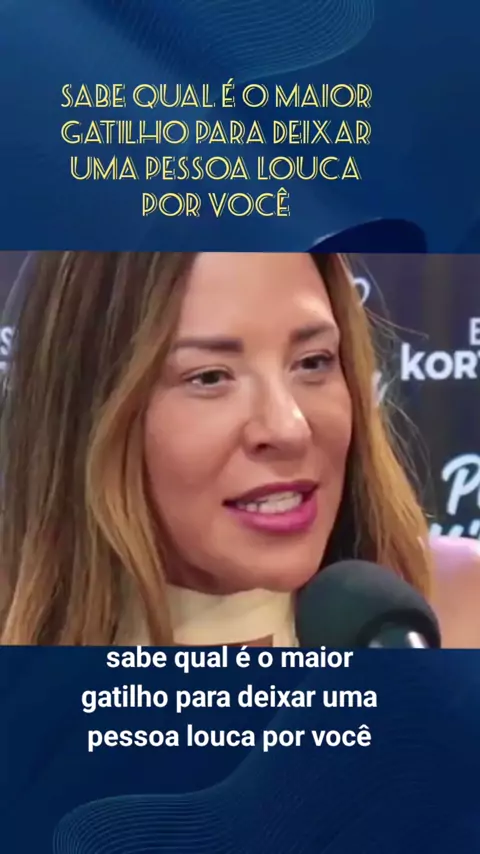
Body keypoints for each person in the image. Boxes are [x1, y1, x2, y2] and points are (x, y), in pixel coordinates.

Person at [0, 251, 478, 646]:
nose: (289, 428)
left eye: (313, 362)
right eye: (210, 377)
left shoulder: (452, 613)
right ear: (86, 412)